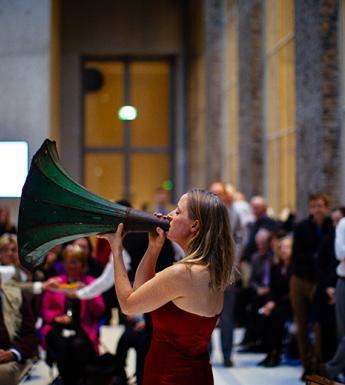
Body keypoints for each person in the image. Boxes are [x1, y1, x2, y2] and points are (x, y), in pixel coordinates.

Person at [99, 188, 235, 385]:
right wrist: (153, 249)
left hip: (169, 376)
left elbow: (128, 304)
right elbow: (141, 293)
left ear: (195, 225)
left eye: (178, 212)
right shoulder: (211, 270)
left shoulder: (182, 274)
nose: (169, 216)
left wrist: (117, 249)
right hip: (198, 375)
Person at [41, 244, 105, 385]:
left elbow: (100, 310)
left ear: (83, 264)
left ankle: (78, 380)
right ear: (64, 263)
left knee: (78, 345)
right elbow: (45, 309)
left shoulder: (90, 283)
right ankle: (66, 380)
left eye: (76, 262)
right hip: (57, 325)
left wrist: (88, 294)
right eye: (69, 261)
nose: (72, 265)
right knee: (61, 344)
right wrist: (56, 317)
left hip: (82, 325)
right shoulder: (56, 282)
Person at [290, 192, 334, 380]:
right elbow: (296, 256)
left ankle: (318, 362)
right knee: (301, 324)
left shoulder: (331, 228)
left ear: (326, 208)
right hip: (300, 279)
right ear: (310, 209)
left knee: (318, 325)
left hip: (320, 282)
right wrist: (315, 258)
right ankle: (306, 363)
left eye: (320, 206)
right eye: (314, 206)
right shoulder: (301, 228)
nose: (317, 209)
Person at [258, 236, 293, 367]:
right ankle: (268, 352)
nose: (284, 250)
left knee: (275, 316)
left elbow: (292, 293)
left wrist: (274, 303)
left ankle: (275, 353)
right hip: (277, 303)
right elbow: (271, 289)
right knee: (263, 315)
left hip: (290, 303)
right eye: (282, 247)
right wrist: (269, 302)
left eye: (287, 247)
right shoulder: (276, 267)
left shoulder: (295, 268)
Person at [0, 267, 38, 385]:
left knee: (2, 372)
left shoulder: (17, 297)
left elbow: (30, 336)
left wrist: (12, 354)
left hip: (11, 357)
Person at [323, 214, 345, 380]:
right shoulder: (343, 224)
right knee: (342, 333)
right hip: (344, 282)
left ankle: (330, 370)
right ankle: (331, 370)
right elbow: (341, 253)